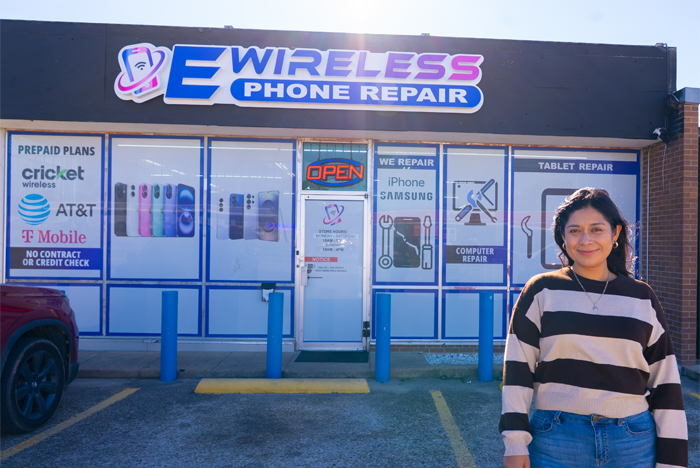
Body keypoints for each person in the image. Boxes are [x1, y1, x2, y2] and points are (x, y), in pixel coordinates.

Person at [500, 188, 688, 468]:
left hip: (632, 442)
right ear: (563, 238)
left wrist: (673, 461)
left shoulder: (641, 297)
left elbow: (666, 382)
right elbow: (517, 372)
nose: (585, 240)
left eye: (596, 229)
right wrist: (514, 443)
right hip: (556, 441)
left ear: (615, 234)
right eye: (575, 231)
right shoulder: (542, 290)